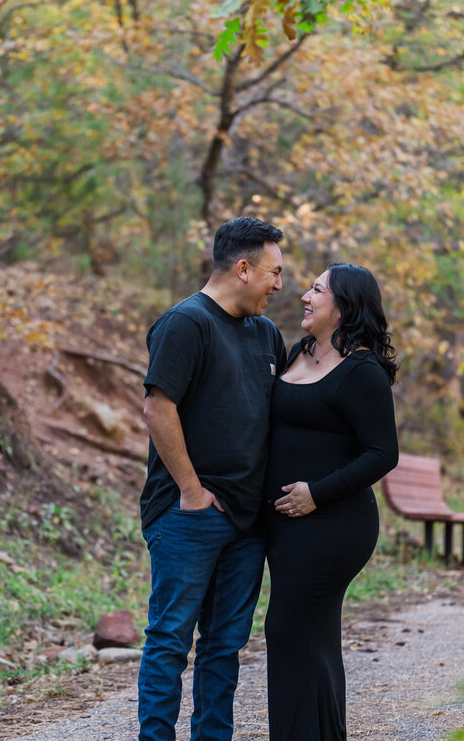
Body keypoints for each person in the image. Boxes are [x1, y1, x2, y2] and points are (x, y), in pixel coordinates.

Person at [137, 217, 287, 741]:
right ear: (243, 269)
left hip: (247, 523)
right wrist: (192, 492)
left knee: (225, 645)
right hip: (189, 517)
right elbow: (159, 408)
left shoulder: (267, 333)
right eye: (274, 272)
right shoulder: (186, 323)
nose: (280, 285)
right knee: (171, 641)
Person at [264, 262, 400, 741]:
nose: (304, 295)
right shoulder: (297, 351)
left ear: (343, 306)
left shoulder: (362, 370)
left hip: (332, 525)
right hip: (287, 526)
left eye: (316, 290)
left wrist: (315, 494)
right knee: (310, 637)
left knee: (287, 629)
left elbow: (384, 454)